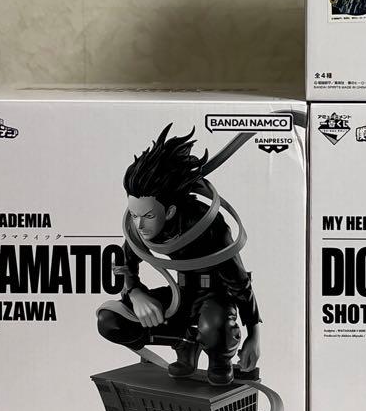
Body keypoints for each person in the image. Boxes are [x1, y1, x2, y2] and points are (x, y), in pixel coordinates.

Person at [96, 124, 261, 387]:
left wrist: (254, 334)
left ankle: (219, 358)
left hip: (216, 301)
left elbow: (238, 282)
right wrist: (136, 294)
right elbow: (126, 264)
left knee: (214, 327)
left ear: (170, 211)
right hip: (181, 297)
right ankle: (185, 344)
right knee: (109, 321)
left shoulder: (208, 225)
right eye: (134, 214)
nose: (139, 224)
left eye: (148, 216)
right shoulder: (140, 227)